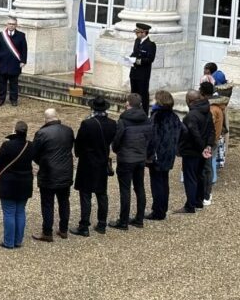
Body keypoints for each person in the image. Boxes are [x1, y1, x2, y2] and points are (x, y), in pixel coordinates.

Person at [71, 96, 117, 236]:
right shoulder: (112, 123)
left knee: (85, 194)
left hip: (87, 163)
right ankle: (102, 224)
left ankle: (84, 226)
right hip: (102, 161)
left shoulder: (87, 124)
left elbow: (78, 144)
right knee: (101, 194)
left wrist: (79, 153)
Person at [30, 108, 75, 242]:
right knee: (64, 202)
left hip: (48, 173)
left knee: (47, 203)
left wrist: (42, 162)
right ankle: (63, 229)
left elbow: (34, 153)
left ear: (45, 119)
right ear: (57, 117)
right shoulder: (68, 131)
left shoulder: (41, 133)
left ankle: (47, 232)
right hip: (65, 172)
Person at [110, 93, 153, 230]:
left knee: (125, 190)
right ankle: (139, 219)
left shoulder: (123, 120)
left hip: (126, 159)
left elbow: (117, 140)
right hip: (140, 158)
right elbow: (151, 139)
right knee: (139, 187)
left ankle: (123, 222)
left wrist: (116, 150)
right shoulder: (147, 120)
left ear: (128, 104)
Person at [0, 121, 34, 249]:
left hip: (9, 182)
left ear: (15, 131)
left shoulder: (7, 145)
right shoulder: (31, 146)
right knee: (20, 211)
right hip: (25, 182)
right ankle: (18, 241)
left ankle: (9, 242)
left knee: (9, 212)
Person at [146, 90, 184, 220]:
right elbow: (182, 131)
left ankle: (158, 211)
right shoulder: (174, 116)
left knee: (157, 183)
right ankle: (162, 208)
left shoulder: (157, 116)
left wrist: (148, 155)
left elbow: (152, 138)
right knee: (164, 182)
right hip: (168, 154)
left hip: (157, 155)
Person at [176, 88, 215, 214]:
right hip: (202, 150)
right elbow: (211, 131)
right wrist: (208, 145)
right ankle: (199, 201)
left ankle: (190, 205)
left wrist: (203, 147)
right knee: (199, 175)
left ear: (189, 101)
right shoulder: (207, 112)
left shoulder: (191, 116)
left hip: (192, 151)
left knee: (190, 177)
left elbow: (194, 134)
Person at [0, 17, 27, 107]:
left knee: (14, 83)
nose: (11, 25)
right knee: (2, 83)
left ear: (16, 25)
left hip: (15, 63)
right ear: (7, 25)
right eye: (10, 24)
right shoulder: (0, 35)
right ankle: (1, 99)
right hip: (2, 63)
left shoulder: (21, 35)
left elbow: (24, 50)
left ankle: (13, 99)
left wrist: (23, 61)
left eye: (13, 24)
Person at [128, 22, 156, 109]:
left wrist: (137, 61)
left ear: (144, 32)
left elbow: (150, 59)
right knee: (134, 95)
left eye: (138, 32)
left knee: (143, 95)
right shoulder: (137, 41)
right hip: (134, 73)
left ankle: (143, 113)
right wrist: (129, 58)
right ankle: (133, 112)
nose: (136, 34)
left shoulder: (150, 44)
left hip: (143, 74)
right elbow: (134, 53)